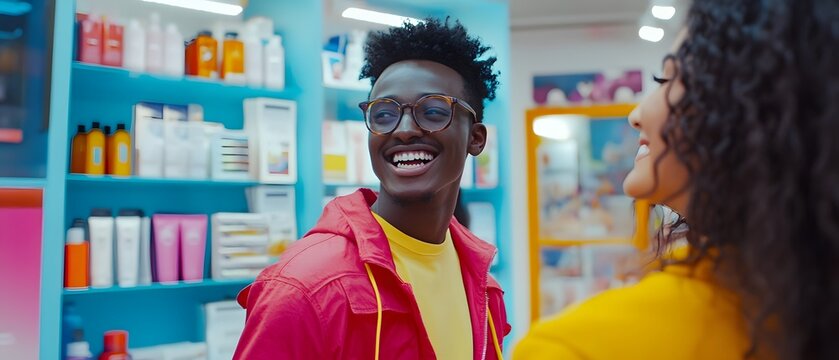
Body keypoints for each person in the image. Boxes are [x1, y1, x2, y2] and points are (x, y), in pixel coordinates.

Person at [514, 0, 838, 359]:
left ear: (739, 116)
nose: (637, 114)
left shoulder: (575, 347)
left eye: (665, 80)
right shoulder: (807, 302)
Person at [234, 18, 510, 359]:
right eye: (383, 115)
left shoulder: (484, 288)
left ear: (476, 138)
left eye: (434, 111)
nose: (405, 129)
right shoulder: (305, 288)